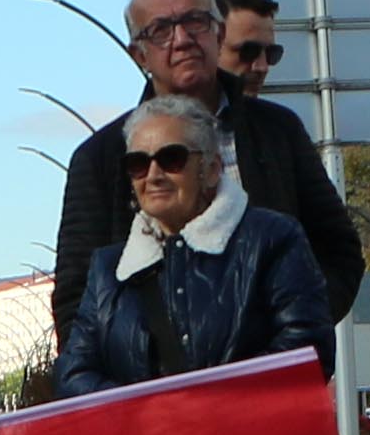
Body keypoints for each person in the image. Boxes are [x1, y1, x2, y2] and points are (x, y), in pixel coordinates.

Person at [51, 0, 361, 358]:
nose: (182, 39)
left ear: (218, 34)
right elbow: (75, 299)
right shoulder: (102, 157)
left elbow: (338, 250)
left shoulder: (277, 132)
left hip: (269, 381)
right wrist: (129, 373)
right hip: (156, 389)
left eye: (195, 21)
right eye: (160, 30)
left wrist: (298, 331)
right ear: (139, 55)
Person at [52, 92, 343, 394]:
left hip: (250, 425)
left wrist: (207, 407)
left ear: (212, 169)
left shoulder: (272, 239)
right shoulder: (108, 271)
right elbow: (73, 373)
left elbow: (306, 350)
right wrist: (147, 412)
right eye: (138, 163)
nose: (153, 175)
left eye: (171, 159)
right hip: (146, 428)